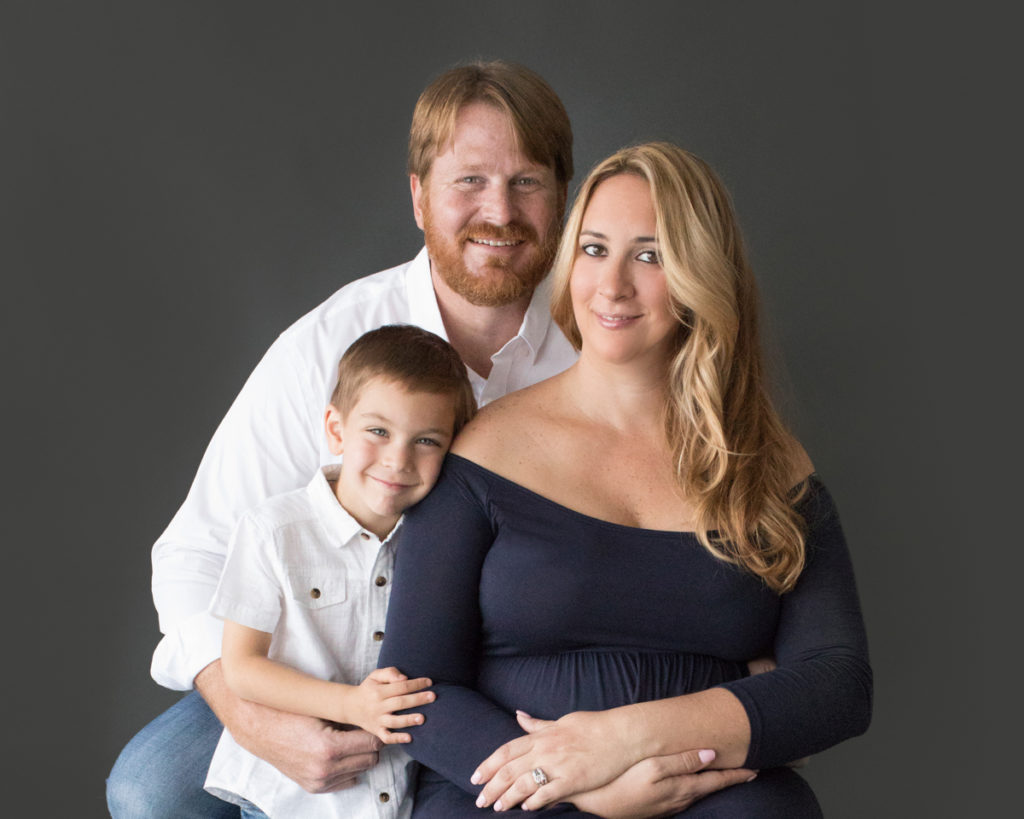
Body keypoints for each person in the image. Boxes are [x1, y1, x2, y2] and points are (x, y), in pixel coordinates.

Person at [108, 63, 744, 818]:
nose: (499, 212)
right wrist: (255, 716)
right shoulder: (329, 345)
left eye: (527, 183)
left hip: (503, 665)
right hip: (324, 663)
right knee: (149, 788)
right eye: (468, 181)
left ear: (565, 197)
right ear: (418, 196)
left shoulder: (602, 334)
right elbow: (192, 554)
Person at [378, 142, 873, 817]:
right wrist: (582, 783)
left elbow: (838, 684)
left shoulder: (770, 466)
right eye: (592, 249)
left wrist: (622, 738)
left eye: (650, 255)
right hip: (511, 788)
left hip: (704, 783)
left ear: (702, 274)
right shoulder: (484, 452)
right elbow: (417, 686)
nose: (611, 286)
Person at [203, 325, 476, 818]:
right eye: (378, 431)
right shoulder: (273, 532)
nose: (398, 459)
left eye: (427, 441)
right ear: (336, 429)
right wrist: (352, 706)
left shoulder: (444, 541)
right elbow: (241, 667)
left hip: (398, 792)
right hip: (289, 799)